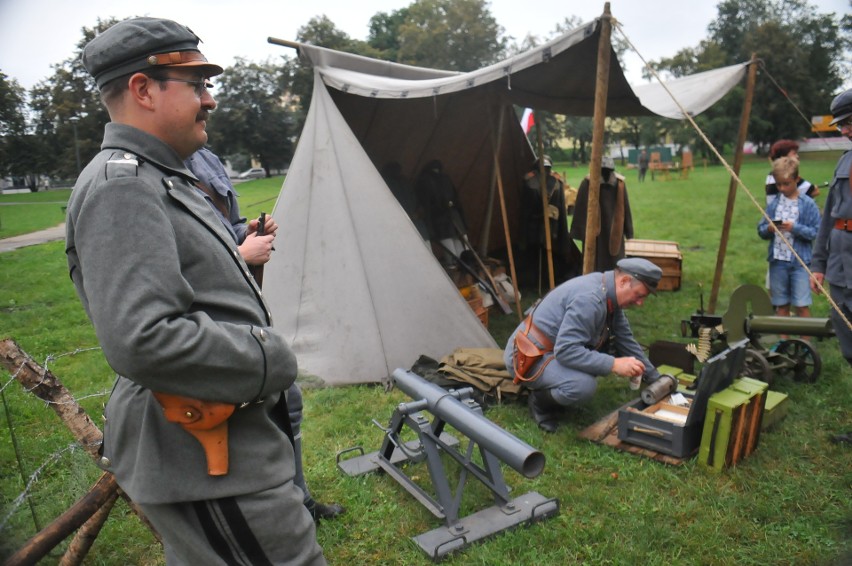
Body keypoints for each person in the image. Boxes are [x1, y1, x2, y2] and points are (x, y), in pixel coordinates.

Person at [65, 17, 326, 564]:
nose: (209, 100)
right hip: (206, 459)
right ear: (143, 89)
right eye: (197, 84)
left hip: (220, 443)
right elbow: (145, 338)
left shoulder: (158, 175)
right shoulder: (125, 186)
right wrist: (269, 355)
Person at [186, 147, 345, 522]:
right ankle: (264, 513)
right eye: (197, 86)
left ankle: (298, 500)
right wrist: (242, 254)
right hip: (205, 329)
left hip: (244, 313)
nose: (207, 99)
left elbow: (225, 228)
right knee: (241, 422)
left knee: (287, 398)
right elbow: (180, 267)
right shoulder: (145, 176)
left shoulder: (205, 157)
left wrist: (248, 232)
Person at [503, 257, 663, 432]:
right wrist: (613, 364)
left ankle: (555, 386)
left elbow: (625, 339)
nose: (640, 303)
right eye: (639, 295)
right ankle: (539, 402)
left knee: (594, 363)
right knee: (582, 386)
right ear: (624, 281)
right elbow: (566, 350)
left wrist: (655, 377)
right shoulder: (591, 299)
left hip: (549, 351)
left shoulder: (608, 293)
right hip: (527, 357)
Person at [812, 88, 852, 366]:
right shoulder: (844, 160)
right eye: (841, 125)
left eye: (848, 123)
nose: (844, 131)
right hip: (839, 270)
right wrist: (818, 264)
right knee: (848, 344)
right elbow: (828, 218)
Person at [757, 156, 820, 333]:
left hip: (800, 263)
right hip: (778, 262)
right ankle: (783, 344)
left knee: (801, 305)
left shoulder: (808, 205)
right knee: (781, 305)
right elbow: (760, 229)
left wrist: (795, 228)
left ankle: (806, 344)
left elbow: (816, 232)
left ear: (796, 180)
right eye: (779, 185)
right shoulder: (775, 204)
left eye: (786, 184)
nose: (782, 189)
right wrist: (769, 229)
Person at [518, 155, 580, 288]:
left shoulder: (554, 184)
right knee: (537, 255)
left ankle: (546, 280)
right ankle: (539, 281)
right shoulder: (533, 183)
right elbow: (525, 209)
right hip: (538, 227)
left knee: (547, 254)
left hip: (547, 227)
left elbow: (561, 211)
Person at [570, 156, 634, 272]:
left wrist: (628, 231)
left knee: (613, 258)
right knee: (593, 259)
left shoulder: (619, 185)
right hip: (593, 229)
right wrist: (579, 231)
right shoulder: (587, 183)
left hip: (614, 227)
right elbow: (580, 207)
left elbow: (625, 207)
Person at [415, 159, 467, 264]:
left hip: (441, 220)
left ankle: (457, 269)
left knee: (453, 255)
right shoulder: (444, 178)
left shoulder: (424, 181)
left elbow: (427, 206)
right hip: (450, 218)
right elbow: (456, 199)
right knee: (461, 252)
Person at [764, 139, 819, 205]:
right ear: (784, 157)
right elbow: (815, 191)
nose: (797, 156)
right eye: (794, 153)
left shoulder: (773, 175)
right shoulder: (785, 175)